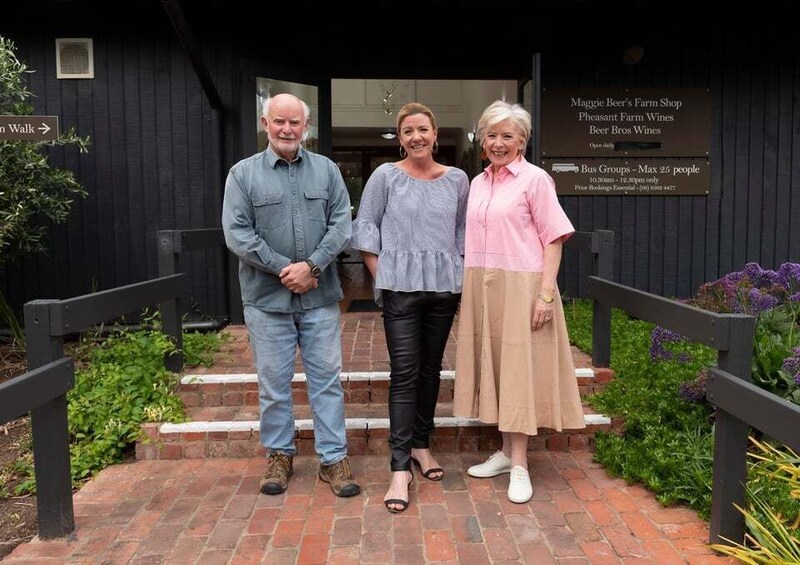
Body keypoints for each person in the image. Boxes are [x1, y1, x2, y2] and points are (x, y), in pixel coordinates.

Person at [221, 93, 360, 498]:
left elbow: (341, 225)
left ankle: (333, 459)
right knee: (273, 384)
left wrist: (312, 266)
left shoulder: (328, 171)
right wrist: (286, 269)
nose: (287, 129)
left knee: (326, 381)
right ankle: (280, 455)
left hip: (319, 298)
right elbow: (237, 233)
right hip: (267, 301)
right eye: (279, 121)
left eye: (294, 122)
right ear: (265, 123)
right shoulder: (242, 175)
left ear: (306, 125)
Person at [453, 100, 585, 504]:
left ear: (522, 141)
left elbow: (554, 239)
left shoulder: (535, 180)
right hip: (483, 284)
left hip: (523, 285)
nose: (498, 142)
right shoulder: (478, 183)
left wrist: (545, 294)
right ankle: (506, 452)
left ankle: (521, 465)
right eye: (491, 135)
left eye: (507, 136)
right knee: (496, 367)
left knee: (518, 372)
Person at [351, 102, 469, 513]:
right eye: (407, 131)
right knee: (404, 372)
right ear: (400, 139)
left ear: (435, 134)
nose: (416, 137)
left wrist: (460, 275)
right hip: (400, 289)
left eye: (423, 129)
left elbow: (462, 233)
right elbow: (366, 228)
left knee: (431, 370)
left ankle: (421, 445)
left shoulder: (457, 179)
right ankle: (399, 467)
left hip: (442, 288)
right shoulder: (385, 176)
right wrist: (381, 272)